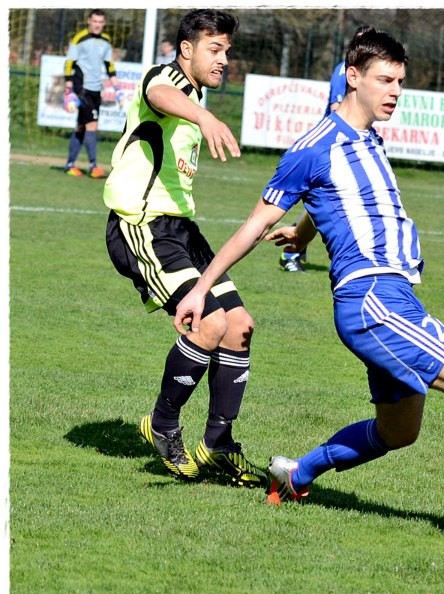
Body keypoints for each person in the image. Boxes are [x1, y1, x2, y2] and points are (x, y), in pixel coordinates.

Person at [174, 28, 444, 552]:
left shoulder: (369, 137)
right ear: (353, 77)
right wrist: (201, 288)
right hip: (373, 301)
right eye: (384, 80)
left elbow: (334, 202)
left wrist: (303, 233)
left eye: (400, 81)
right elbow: (254, 225)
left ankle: (296, 474)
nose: (395, 91)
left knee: (399, 432)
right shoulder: (313, 147)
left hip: (393, 297)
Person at [104, 9, 266, 489]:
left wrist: (201, 110)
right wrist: (203, 115)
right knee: (209, 323)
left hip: (183, 231)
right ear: (186, 49)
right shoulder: (167, 79)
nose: (223, 60)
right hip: (142, 225)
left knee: (239, 326)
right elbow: (158, 92)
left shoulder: (194, 93)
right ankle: (163, 424)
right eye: (214, 49)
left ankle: (218, 444)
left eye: (227, 51)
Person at [279, 25, 371, 274]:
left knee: (330, 203)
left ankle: (296, 247)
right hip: (335, 147)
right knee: (327, 203)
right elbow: (336, 109)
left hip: (348, 145)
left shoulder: (365, 74)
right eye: (359, 43)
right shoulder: (345, 70)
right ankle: (292, 251)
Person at [63, 9, 120, 179]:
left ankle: (69, 165)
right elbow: (69, 63)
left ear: (104, 23)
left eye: (100, 22)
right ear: (88, 21)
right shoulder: (79, 38)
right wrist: (69, 88)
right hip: (82, 87)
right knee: (92, 125)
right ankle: (93, 166)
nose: (97, 25)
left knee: (81, 126)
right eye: (94, 21)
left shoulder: (106, 40)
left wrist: (117, 89)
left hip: (96, 89)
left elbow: (109, 65)